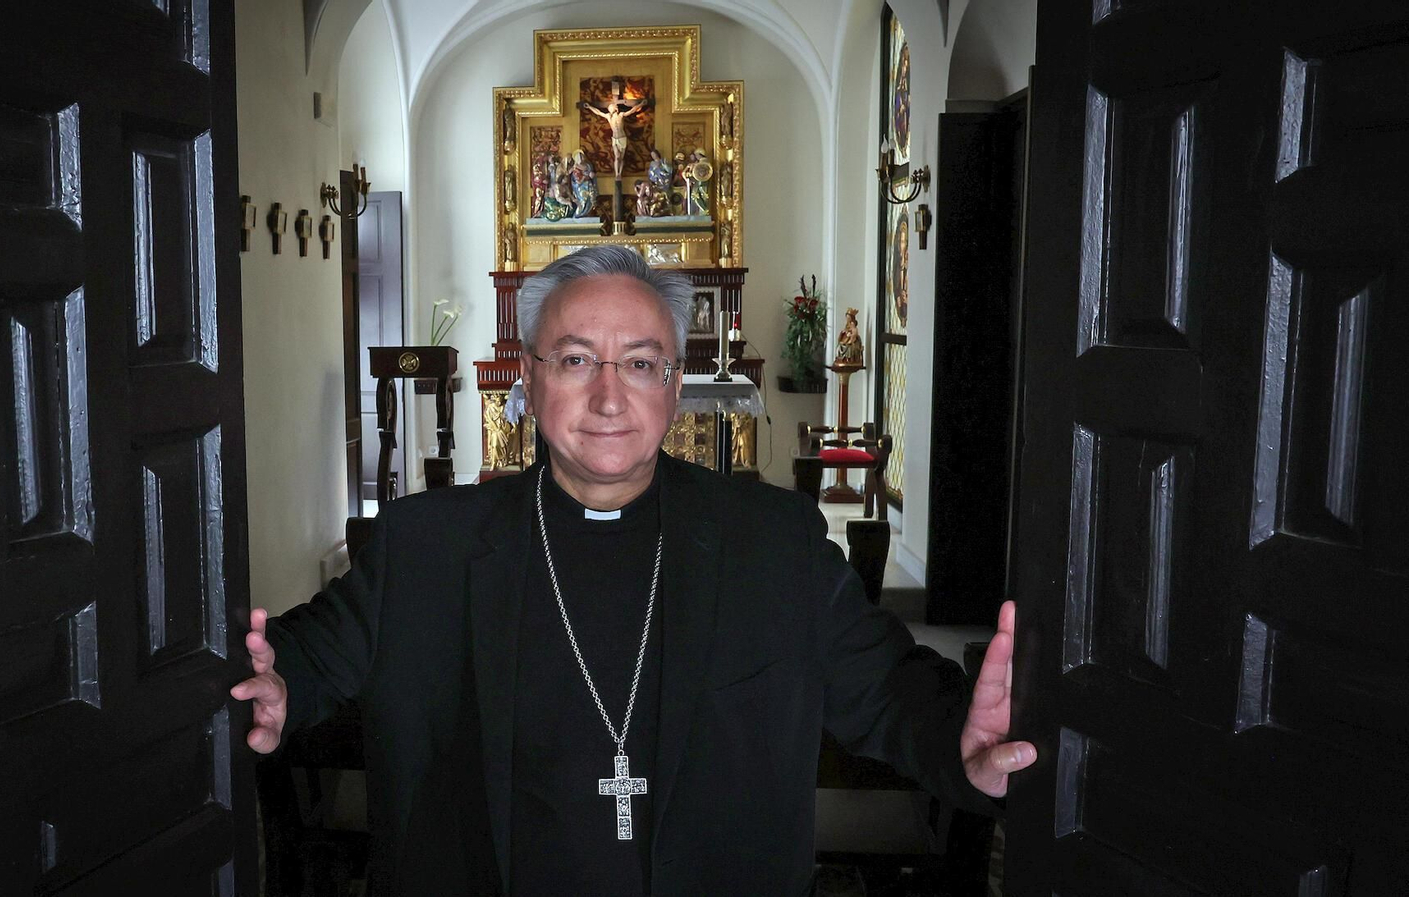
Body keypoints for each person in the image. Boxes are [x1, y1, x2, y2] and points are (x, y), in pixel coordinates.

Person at [231, 245, 1035, 895]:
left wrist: (956, 737)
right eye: (577, 360)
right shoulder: (424, 542)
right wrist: (278, 683)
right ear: (530, 380)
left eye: (642, 364)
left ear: (676, 385)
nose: (610, 397)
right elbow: (314, 651)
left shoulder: (775, 542)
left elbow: (886, 687)